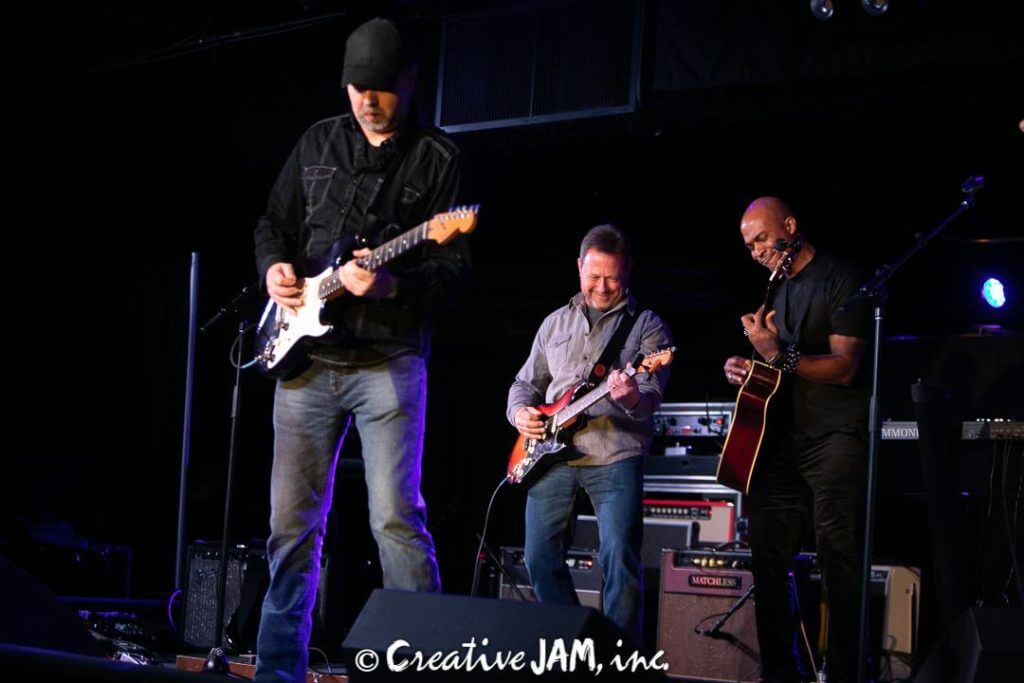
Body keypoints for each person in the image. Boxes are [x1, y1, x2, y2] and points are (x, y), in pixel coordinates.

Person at [252, 17, 468, 682]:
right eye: (356, 87)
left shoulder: (439, 159)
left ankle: (420, 668)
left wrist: (393, 284)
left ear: (410, 81)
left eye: (380, 88)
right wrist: (273, 269)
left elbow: (455, 272)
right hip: (306, 361)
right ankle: (277, 671)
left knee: (396, 520)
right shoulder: (318, 140)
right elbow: (273, 222)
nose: (367, 100)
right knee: (290, 529)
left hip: (388, 362)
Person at [724, 197, 871, 683]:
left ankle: (844, 672)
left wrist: (776, 355)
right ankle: (780, 672)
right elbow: (775, 363)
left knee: (838, 556)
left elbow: (845, 367)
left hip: (834, 435)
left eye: (763, 239)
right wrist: (747, 367)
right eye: (750, 246)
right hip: (782, 440)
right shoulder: (777, 290)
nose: (757, 252)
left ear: (790, 225)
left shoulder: (840, 278)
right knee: (767, 554)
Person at [507, 224, 672, 641]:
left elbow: (651, 398)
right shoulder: (555, 322)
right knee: (539, 558)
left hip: (614, 454)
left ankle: (618, 659)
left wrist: (631, 396)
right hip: (549, 455)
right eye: (594, 276)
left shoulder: (647, 327)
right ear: (579, 266)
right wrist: (520, 413)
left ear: (627, 271)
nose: (601, 287)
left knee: (619, 559)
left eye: (612, 278)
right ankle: (575, 646)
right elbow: (525, 383)